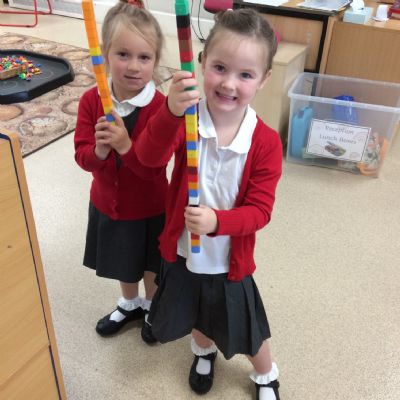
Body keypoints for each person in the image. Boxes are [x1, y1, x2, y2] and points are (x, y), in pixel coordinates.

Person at [135, 8, 282, 400]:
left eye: (246, 74)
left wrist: (218, 221)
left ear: (264, 79)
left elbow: (260, 211)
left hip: (228, 261)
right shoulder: (186, 118)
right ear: (201, 62)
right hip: (184, 251)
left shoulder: (265, 142)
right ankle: (203, 353)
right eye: (219, 67)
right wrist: (169, 112)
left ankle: (265, 374)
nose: (229, 83)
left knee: (246, 327)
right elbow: (148, 160)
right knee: (198, 312)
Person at [74, 0, 166, 343]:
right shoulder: (91, 101)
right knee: (123, 260)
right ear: (105, 55)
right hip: (108, 204)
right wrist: (99, 151)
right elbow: (82, 156)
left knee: (150, 263)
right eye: (123, 54)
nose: (133, 66)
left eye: (144, 57)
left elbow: (155, 167)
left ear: (156, 61)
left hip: (150, 206)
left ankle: (152, 306)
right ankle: (129, 304)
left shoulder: (160, 107)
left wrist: (126, 146)